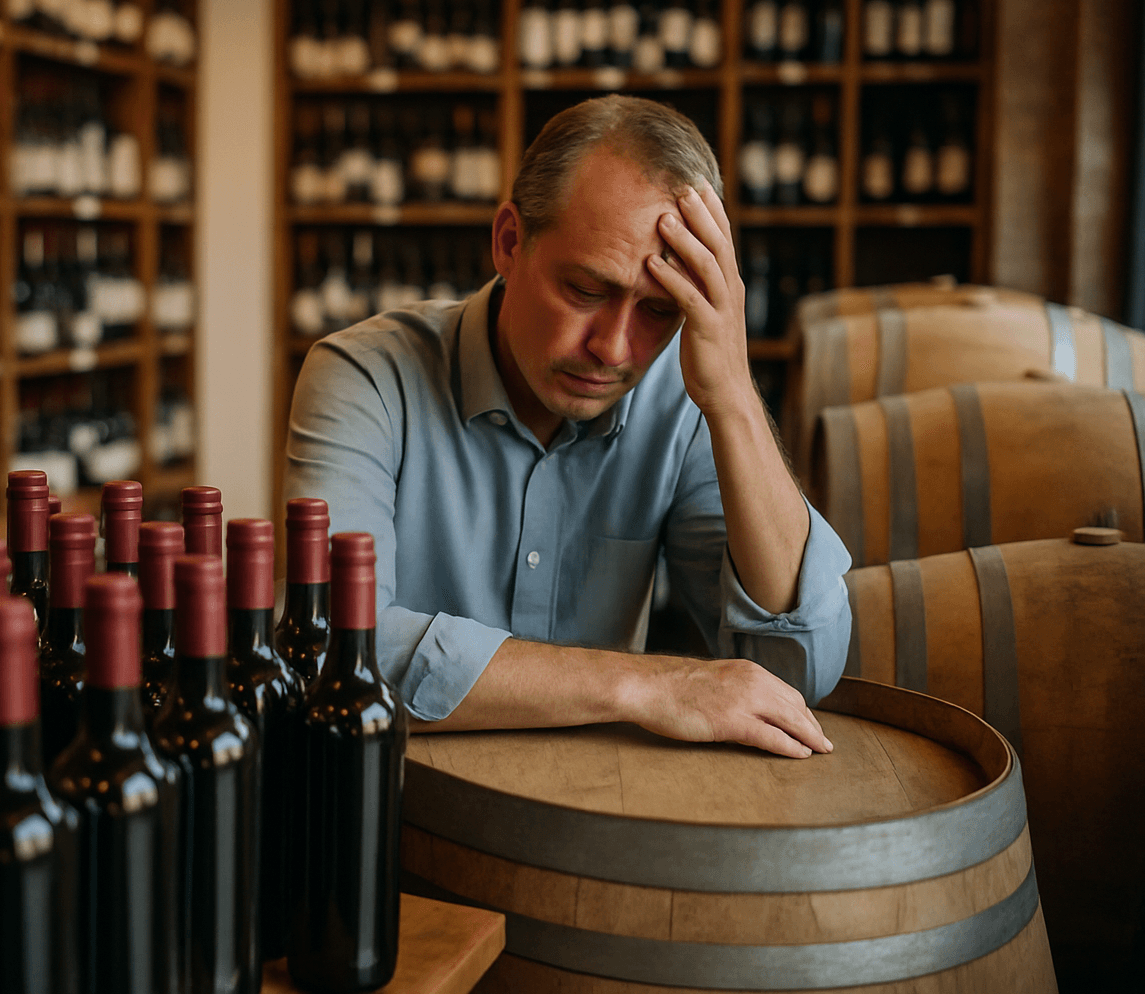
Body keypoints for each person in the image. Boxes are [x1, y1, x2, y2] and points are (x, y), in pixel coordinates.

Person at [285, 96, 851, 758]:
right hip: (392, 812)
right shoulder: (363, 379)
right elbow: (330, 650)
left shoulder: (685, 405)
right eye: (585, 291)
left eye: (658, 311)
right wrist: (650, 686)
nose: (614, 349)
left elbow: (796, 669)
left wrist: (731, 392)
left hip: (591, 827)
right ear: (509, 242)